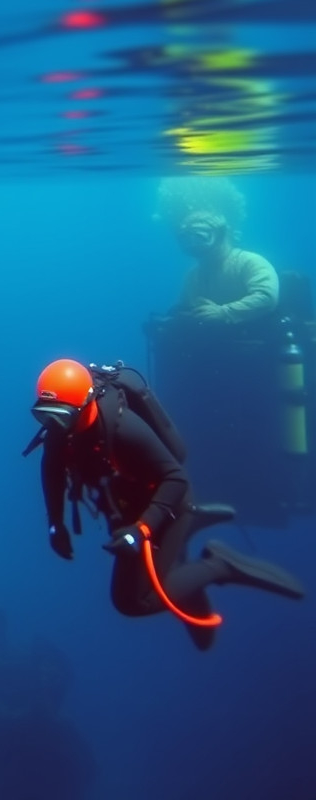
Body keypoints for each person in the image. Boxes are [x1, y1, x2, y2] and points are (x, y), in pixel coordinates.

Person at [31, 358, 304, 650]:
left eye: (61, 417)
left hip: (169, 503)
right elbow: (52, 471)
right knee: (156, 575)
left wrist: (141, 530)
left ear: (86, 404)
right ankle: (187, 536)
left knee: (133, 602)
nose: (53, 425)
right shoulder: (63, 429)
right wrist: (55, 524)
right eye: (44, 416)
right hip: (131, 506)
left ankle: (219, 565)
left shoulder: (123, 429)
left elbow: (176, 478)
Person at [173, 209, 279, 325]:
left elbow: (266, 297)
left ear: (220, 235)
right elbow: (186, 307)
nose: (192, 243)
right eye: (185, 238)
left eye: (200, 236)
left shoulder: (249, 261)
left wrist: (224, 312)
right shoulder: (192, 275)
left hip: (254, 337)